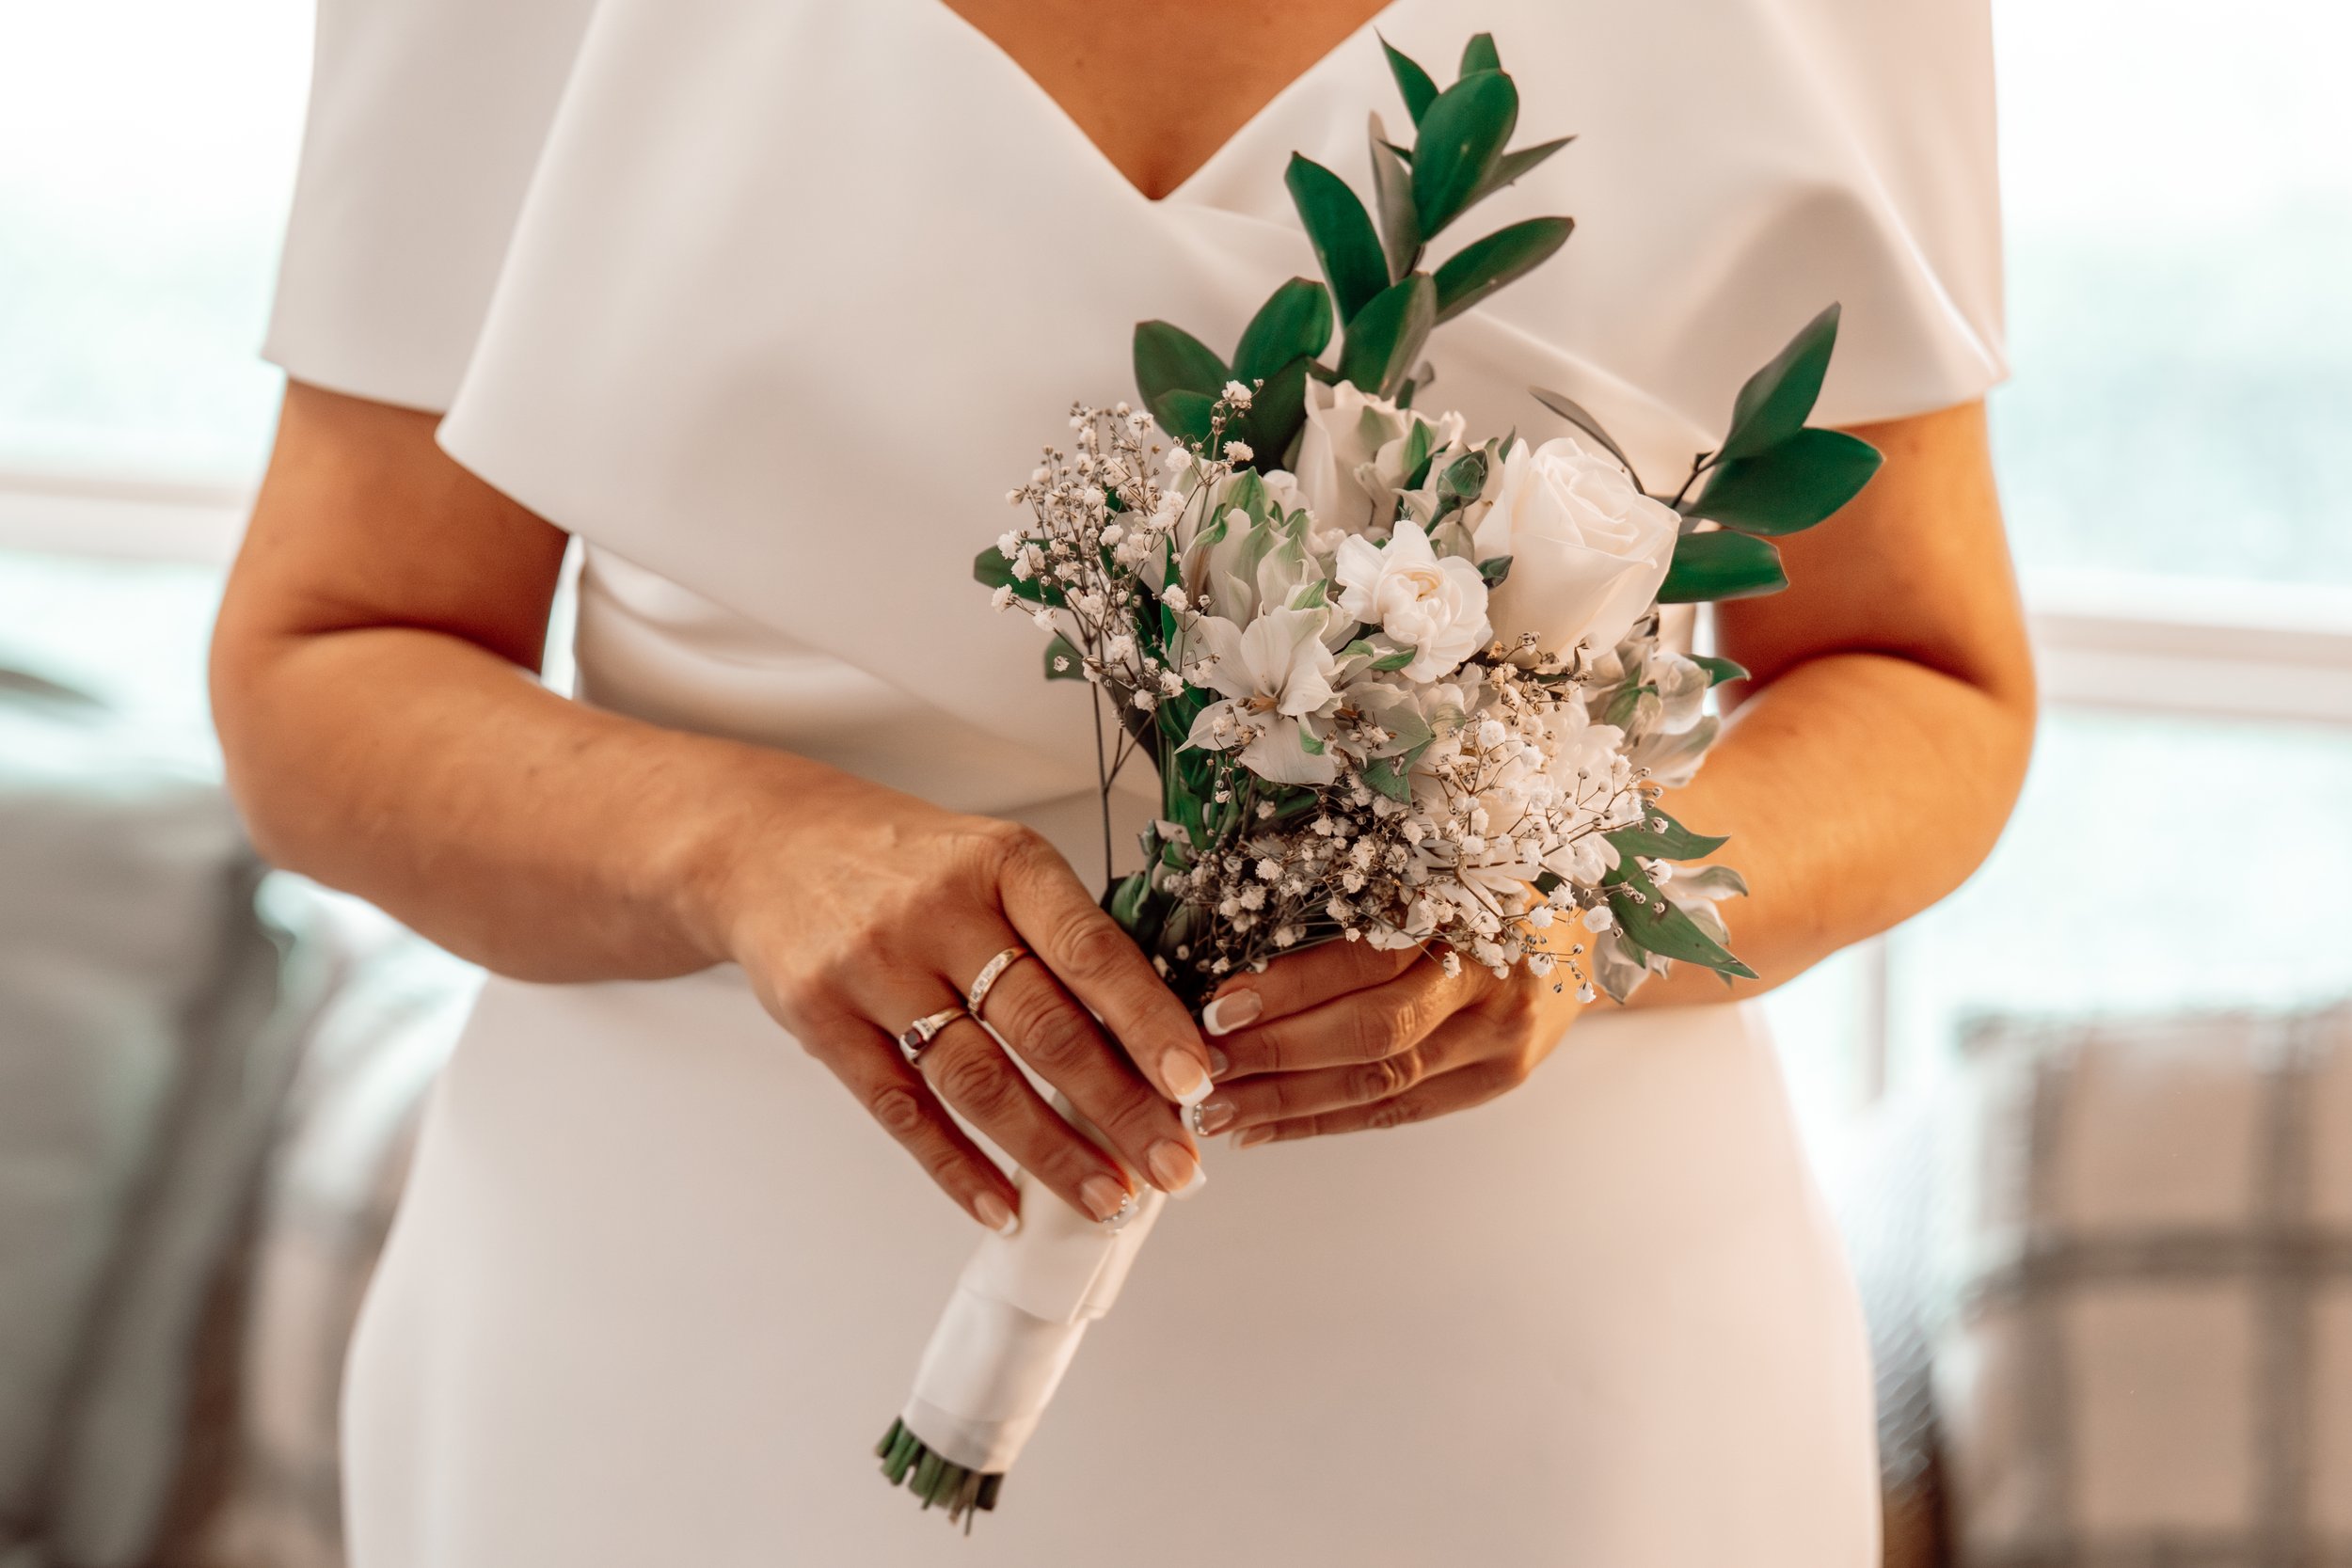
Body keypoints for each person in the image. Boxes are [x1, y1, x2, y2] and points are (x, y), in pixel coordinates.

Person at [210, 0, 2035, 1560]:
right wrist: (738, 846)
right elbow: (327, 660)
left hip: (1540, 1399)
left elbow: (1923, 680)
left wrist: (1568, 918)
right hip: (678, 1355)